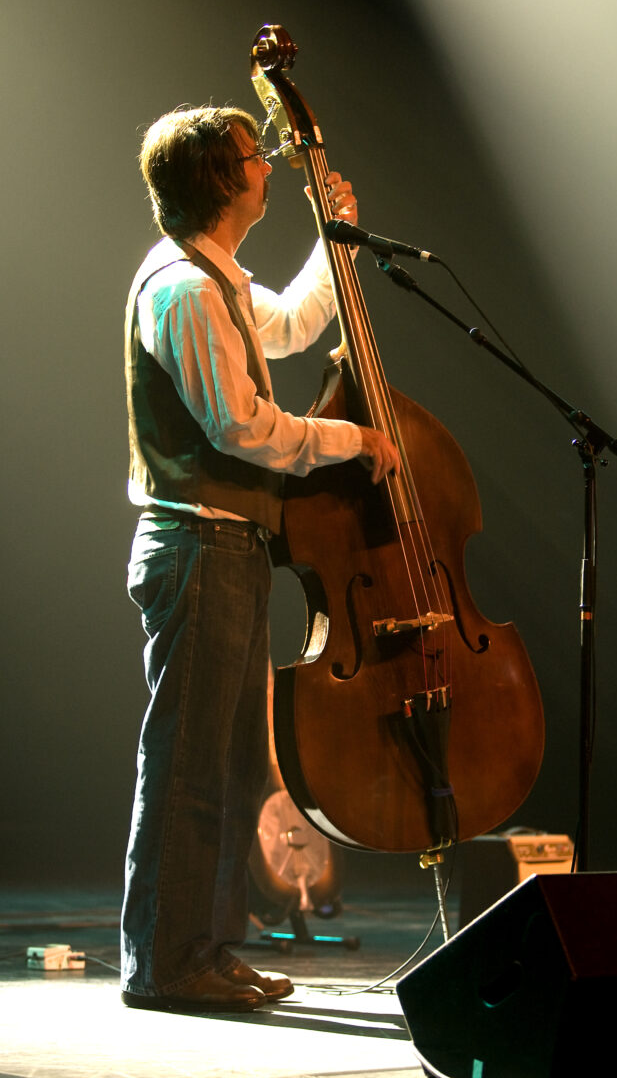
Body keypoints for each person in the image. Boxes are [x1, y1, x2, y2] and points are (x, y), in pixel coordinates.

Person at [121, 105, 399, 1015]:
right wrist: (353, 438)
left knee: (236, 764)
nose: (270, 165)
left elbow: (288, 326)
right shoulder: (184, 290)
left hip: (228, 545)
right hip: (197, 542)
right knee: (190, 764)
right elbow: (242, 427)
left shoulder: (219, 279)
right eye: (256, 156)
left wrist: (335, 238)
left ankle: (203, 950)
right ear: (219, 180)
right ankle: (165, 963)